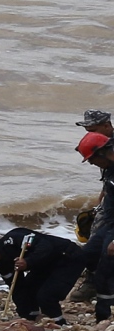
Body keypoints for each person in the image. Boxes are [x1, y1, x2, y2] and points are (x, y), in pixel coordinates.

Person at [0, 228, 86, 326]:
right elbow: (16, 287)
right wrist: (25, 316)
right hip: (45, 265)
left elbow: (46, 246)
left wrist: (28, 262)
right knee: (29, 291)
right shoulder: (0, 264)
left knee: (46, 296)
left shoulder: (15, 238)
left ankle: (59, 324)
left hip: (68, 258)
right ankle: (33, 317)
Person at [70, 110, 113, 301]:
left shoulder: (106, 149)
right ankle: (92, 279)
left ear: (107, 125)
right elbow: (108, 179)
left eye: (93, 130)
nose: (89, 135)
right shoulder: (101, 149)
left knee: (106, 244)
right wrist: (102, 199)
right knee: (95, 238)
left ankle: (97, 284)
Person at [76, 132, 114, 322]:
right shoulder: (109, 169)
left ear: (103, 152)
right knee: (87, 255)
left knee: (106, 269)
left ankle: (104, 316)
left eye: (92, 160)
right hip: (109, 221)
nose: (91, 164)